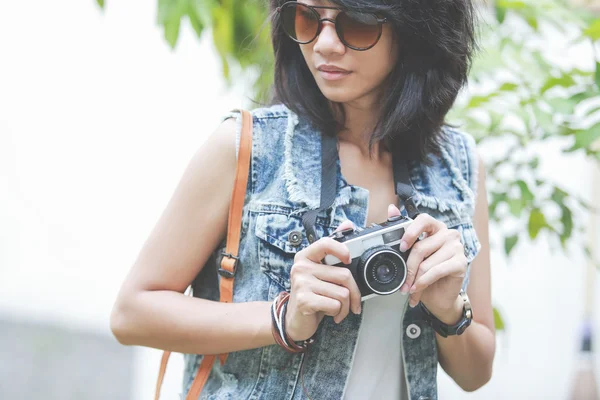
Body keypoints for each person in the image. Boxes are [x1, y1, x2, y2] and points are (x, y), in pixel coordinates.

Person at [110, 0, 496, 398]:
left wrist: (450, 309)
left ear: (415, 27)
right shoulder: (248, 147)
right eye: (307, 18)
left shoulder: (459, 166)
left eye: (357, 23)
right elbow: (133, 312)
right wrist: (283, 317)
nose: (325, 44)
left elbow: (476, 373)